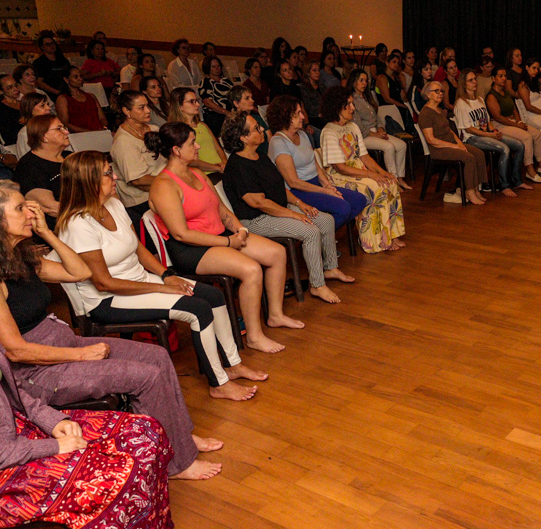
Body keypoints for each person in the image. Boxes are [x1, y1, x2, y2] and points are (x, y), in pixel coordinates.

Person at [0, 179, 224, 480]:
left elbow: (79, 272)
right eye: (20, 208)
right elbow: (16, 351)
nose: (31, 213)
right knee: (147, 377)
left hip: (63, 345)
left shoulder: (22, 259)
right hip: (36, 372)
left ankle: (179, 437)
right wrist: (82, 355)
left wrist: (47, 233)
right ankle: (178, 464)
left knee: (157, 357)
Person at [57, 151, 265, 401]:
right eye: (107, 173)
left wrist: (166, 275)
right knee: (197, 310)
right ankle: (218, 383)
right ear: (88, 181)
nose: (115, 177)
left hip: (140, 282)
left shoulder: (113, 205)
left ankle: (233, 364)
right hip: (108, 299)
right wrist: (161, 288)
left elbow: (138, 248)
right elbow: (103, 283)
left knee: (213, 296)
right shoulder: (78, 225)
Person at [147, 122, 304, 353]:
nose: (198, 146)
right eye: (192, 143)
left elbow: (221, 210)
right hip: (191, 249)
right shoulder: (164, 185)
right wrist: (229, 242)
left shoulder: (197, 174)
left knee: (276, 253)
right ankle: (254, 337)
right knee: (251, 269)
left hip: (219, 235)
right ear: (176, 150)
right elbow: (182, 233)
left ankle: (275, 315)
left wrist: (240, 229)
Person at [0, 351, 175, 528]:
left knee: (146, 429)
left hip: (18, 425)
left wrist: (51, 421)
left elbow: (13, 389)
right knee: (113, 479)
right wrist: (54, 446)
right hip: (9, 458)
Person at [222, 112, 355, 304]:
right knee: (310, 231)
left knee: (326, 220)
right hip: (255, 219)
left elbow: (279, 188)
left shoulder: (260, 157)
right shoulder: (237, 166)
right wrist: (293, 214)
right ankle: (317, 285)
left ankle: (330, 268)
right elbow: (258, 203)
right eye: (256, 128)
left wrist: (301, 204)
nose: (262, 129)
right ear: (243, 138)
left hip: (277, 210)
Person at [319, 87, 405, 253]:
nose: (353, 108)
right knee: (375, 188)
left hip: (358, 170)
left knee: (391, 183)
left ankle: (392, 235)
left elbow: (364, 156)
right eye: (349, 104)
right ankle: (375, 241)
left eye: (353, 103)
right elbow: (340, 167)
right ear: (337, 107)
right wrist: (371, 175)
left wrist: (383, 172)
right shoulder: (329, 131)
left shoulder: (353, 126)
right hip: (340, 176)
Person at [266, 95, 366, 232]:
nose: (303, 117)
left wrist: (328, 185)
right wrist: (325, 191)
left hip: (316, 184)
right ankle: (319, 237)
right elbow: (293, 182)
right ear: (286, 116)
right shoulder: (278, 142)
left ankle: (324, 235)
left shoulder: (302, 134)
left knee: (359, 200)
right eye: (298, 113)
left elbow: (315, 164)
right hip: (298, 191)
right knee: (343, 208)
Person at [454, 70, 528, 197]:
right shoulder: (461, 103)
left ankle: (517, 180)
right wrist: (490, 135)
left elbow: (485, 121)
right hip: (471, 138)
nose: (474, 82)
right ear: (463, 84)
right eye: (470, 80)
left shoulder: (479, 100)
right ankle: (504, 186)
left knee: (519, 145)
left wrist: (494, 131)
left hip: (486, 134)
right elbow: (468, 129)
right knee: (504, 149)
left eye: (475, 79)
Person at [419, 81, 488, 205]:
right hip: (439, 148)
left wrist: (459, 143)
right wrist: (454, 146)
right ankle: (469, 191)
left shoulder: (439, 110)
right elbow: (431, 140)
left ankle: (476, 188)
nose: (440, 93)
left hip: (450, 143)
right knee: (469, 158)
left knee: (479, 154)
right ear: (428, 94)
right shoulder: (425, 113)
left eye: (441, 91)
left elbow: (449, 131)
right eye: (436, 91)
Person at [485, 66, 541, 183]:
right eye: (500, 76)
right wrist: (517, 126)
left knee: (537, 134)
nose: (504, 78)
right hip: (499, 125)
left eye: (505, 76)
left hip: (511, 122)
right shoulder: (491, 96)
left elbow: (514, 109)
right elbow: (498, 117)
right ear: (493, 78)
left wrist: (519, 121)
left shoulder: (505, 92)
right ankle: (529, 169)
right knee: (526, 137)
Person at [110, 92, 167, 229]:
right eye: (141, 108)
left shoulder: (154, 129)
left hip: (162, 188)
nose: (148, 111)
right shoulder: (123, 141)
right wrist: (172, 182)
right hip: (142, 201)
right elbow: (138, 181)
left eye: (148, 106)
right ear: (126, 111)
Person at [347, 69, 412, 190]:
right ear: (354, 82)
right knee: (389, 147)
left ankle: (400, 179)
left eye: (366, 80)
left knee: (401, 145)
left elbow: (377, 117)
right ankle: (393, 181)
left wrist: (381, 128)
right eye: (361, 80)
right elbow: (357, 126)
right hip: (364, 135)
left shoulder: (367, 97)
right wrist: (375, 134)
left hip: (376, 131)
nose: (364, 83)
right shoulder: (352, 100)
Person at [13, 114, 70, 224]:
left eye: (64, 128)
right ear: (44, 136)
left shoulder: (70, 157)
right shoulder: (29, 166)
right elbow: (50, 207)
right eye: (59, 129)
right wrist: (88, 211)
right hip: (58, 225)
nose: (66, 132)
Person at [166, 87, 227, 180]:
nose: (197, 105)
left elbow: (218, 148)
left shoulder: (202, 125)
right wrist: (216, 168)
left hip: (222, 170)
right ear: (179, 106)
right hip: (205, 175)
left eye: (197, 101)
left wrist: (224, 163)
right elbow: (190, 161)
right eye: (192, 101)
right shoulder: (178, 131)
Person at [56, 66, 107, 133]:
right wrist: (89, 132)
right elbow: (65, 123)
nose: (80, 79)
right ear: (66, 79)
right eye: (75, 77)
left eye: (81, 76)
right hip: (79, 135)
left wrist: (103, 128)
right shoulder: (63, 99)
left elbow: (102, 118)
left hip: (99, 132)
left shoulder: (91, 96)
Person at [228, 85, 271, 156]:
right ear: (236, 103)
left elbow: (270, 138)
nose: (252, 101)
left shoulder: (257, 117)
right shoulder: (233, 123)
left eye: (251, 98)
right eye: (247, 98)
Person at [198, 55, 234, 137]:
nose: (217, 69)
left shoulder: (226, 81)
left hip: (230, 112)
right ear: (208, 68)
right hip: (215, 114)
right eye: (213, 67)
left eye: (218, 66)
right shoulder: (206, 82)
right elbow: (208, 103)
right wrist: (226, 112)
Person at [31, 31, 71, 98]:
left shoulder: (63, 60)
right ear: (42, 47)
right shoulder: (39, 62)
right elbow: (39, 82)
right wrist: (56, 92)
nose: (51, 46)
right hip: (49, 94)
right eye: (47, 44)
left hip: (65, 91)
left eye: (52, 43)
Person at [14, 92, 53, 158]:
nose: (48, 108)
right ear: (30, 109)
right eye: (42, 106)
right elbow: (26, 159)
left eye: (47, 104)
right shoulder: (25, 133)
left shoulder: (55, 126)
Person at [0, 74, 23, 147]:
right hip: (15, 144)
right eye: (9, 87)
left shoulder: (24, 103)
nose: (15, 89)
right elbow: (8, 133)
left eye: (16, 85)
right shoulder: (2, 109)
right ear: (1, 91)